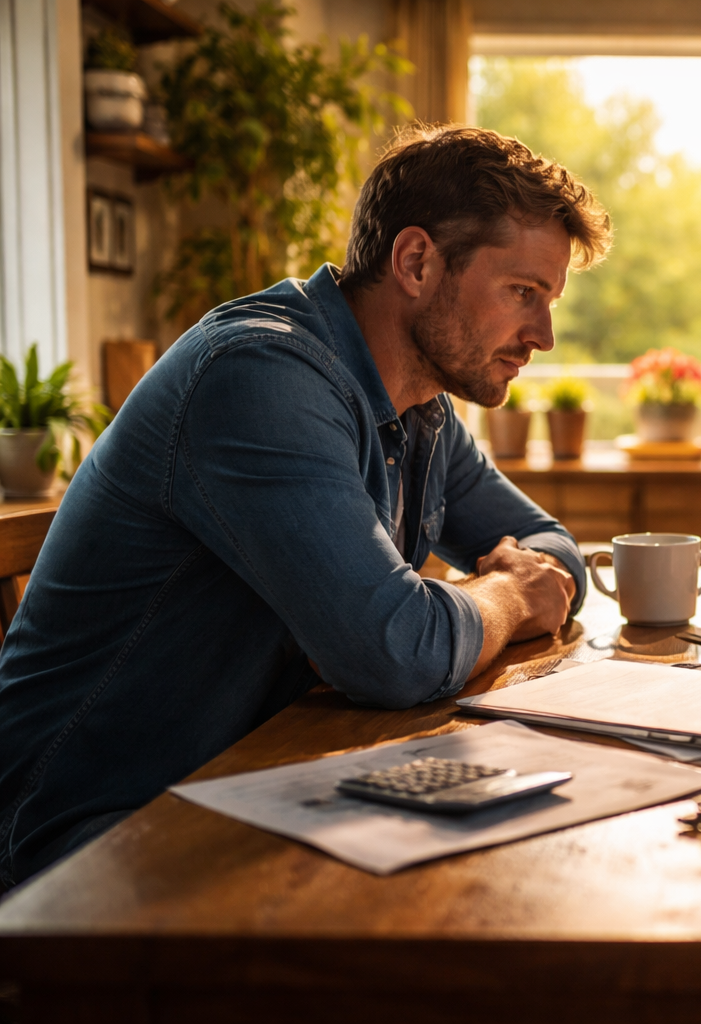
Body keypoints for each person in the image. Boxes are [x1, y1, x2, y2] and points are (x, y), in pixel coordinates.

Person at [0, 126, 610, 889]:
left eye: (548, 300)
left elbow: (553, 550)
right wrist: (509, 595)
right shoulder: (258, 376)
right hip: (87, 843)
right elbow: (396, 651)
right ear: (417, 262)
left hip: (253, 790)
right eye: (524, 292)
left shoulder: (421, 406)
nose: (544, 336)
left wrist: (493, 596)